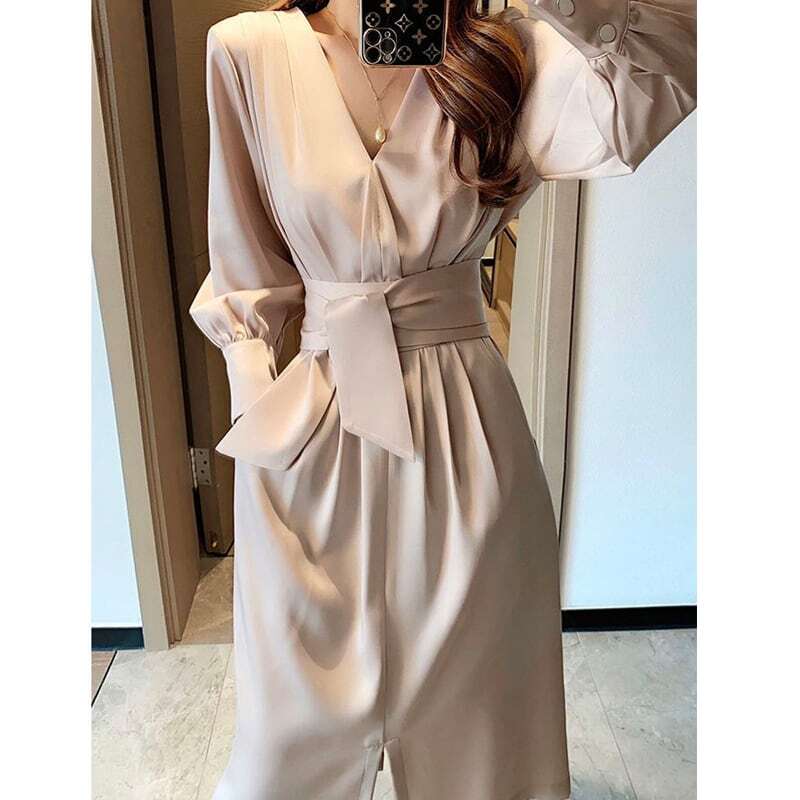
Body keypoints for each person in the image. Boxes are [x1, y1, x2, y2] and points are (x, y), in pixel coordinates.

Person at [189, 1, 696, 797]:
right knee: (281, 758)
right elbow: (245, 268)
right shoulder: (246, 50)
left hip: (468, 449)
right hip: (309, 452)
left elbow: (667, 61)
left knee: (483, 751)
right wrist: (261, 426)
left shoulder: (510, 54)